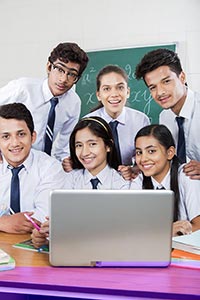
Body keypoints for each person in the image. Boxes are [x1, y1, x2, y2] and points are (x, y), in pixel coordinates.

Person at [32, 116, 130, 247]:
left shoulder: (124, 183)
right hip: (75, 250)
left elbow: (122, 230)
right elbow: (60, 223)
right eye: (79, 145)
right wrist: (47, 237)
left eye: (92, 144)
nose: (85, 152)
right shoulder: (69, 181)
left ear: (108, 146)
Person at [0, 42, 89, 161]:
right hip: (9, 158)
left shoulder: (73, 103)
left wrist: (64, 163)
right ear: (48, 67)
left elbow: (63, 148)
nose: (63, 79)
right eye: (59, 69)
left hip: (41, 164)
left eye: (71, 74)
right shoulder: (23, 88)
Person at [63, 65, 150, 179]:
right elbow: (76, 155)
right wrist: (70, 162)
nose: (114, 94)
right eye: (106, 89)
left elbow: (148, 157)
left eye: (120, 87)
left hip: (130, 181)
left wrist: (134, 169)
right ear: (98, 95)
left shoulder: (141, 120)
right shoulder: (87, 122)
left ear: (127, 92)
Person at [0, 103, 66, 234]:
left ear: (33, 137)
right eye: (6, 136)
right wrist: (3, 222)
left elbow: (46, 216)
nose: (15, 143)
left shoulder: (50, 168)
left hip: (34, 242)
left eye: (21, 134)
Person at [135, 48, 200, 180]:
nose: (160, 92)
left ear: (182, 77)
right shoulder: (165, 117)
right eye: (153, 87)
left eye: (166, 81)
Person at [130, 124, 200, 236]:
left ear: (170, 153)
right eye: (139, 152)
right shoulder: (138, 181)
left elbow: (198, 226)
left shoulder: (187, 176)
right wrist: (167, 232)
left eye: (151, 151)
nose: (143, 159)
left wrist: (164, 233)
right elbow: (134, 228)